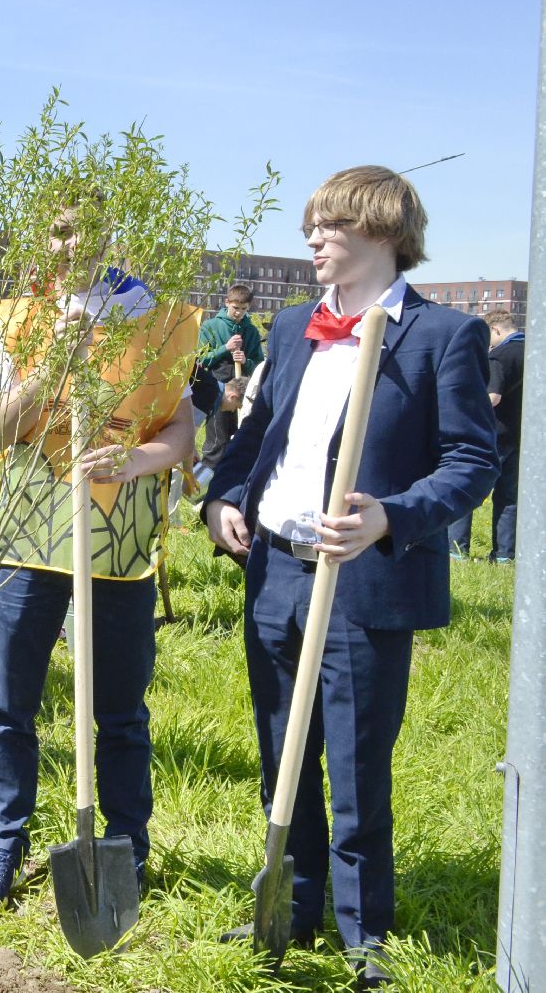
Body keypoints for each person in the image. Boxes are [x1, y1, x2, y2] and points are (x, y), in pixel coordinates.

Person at [204, 166, 498, 987]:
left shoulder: (442, 335)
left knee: (357, 759)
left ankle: (365, 934)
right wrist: (224, 500)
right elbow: (255, 434)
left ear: (379, 229)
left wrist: (390, 517)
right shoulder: (296, 323)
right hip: (274, 573)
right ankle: (289, 908)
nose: (312, 239)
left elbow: (474, 459)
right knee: (280, 750)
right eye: (311, 225)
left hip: (363, 585)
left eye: (327, 225)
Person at [0, 200, 196, 907]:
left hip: (117, 540)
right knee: (9, 702)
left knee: (121, 709)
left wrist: (135, 459)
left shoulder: (161, 322)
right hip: (30, 534)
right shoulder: (17, 320)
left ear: (111, 236)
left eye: (90, 232)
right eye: (61, 230)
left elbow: (183, 434)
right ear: (44, 236)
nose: (75, 245)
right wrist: (53, 361)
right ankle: (6, 843)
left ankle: (127, 847)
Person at [450, 308, 523, 561]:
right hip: (520, 436)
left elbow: (492, 397)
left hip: (495, 435)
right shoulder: (534, 352)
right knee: (509, 499)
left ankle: (457, 550)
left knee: (468, 490)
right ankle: (504, 555)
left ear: (495, 330)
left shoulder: (501, 356)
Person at [197, 284, 264, 470]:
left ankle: (231, 483)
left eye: (244, 309)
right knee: (217, 442)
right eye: (235, 308)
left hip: (242, 389)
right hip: (216, 388)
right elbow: (201, 360)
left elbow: (259, 365)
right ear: (227, 302)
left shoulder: (251, 331)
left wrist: (246, 361)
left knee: (239, 439)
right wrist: (224, 349)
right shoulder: (210, 326)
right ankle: (201, 488)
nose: (238, 313)